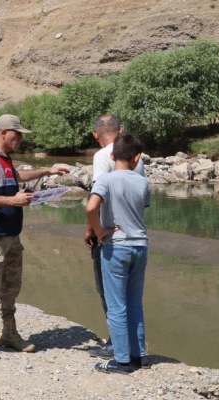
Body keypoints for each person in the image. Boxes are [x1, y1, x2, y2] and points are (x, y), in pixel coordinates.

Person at [0, 114, 69, 359]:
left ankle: (9, 334)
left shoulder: (3, 158)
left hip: (10, 235)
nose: (21, 139)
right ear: (4, 132)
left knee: (11, 287)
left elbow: (16, 176)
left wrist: (47, 170)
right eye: (18, 134)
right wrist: (13, 200)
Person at [86, 133, 150, 374]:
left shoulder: (106, 180)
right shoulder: (142, 182)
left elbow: (91, 207)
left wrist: (99, 231)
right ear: (137, 158)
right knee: (134, 303)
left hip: (116, 247)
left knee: (116, 306)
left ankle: (122, 361)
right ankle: (138, 355)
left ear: (112, 156)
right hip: (140, 246)